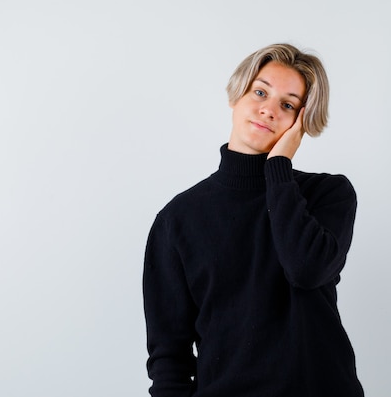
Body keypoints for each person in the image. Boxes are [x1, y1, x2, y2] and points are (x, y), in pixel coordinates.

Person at [143, 43, 364, 397]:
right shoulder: (178, 219)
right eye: (260, 91)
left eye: (288, 104)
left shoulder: (328, 195)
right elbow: (169, 356)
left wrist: (279, 169)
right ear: (236, 96)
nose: (269, 110)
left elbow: (305, 269)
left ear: (301, 122)